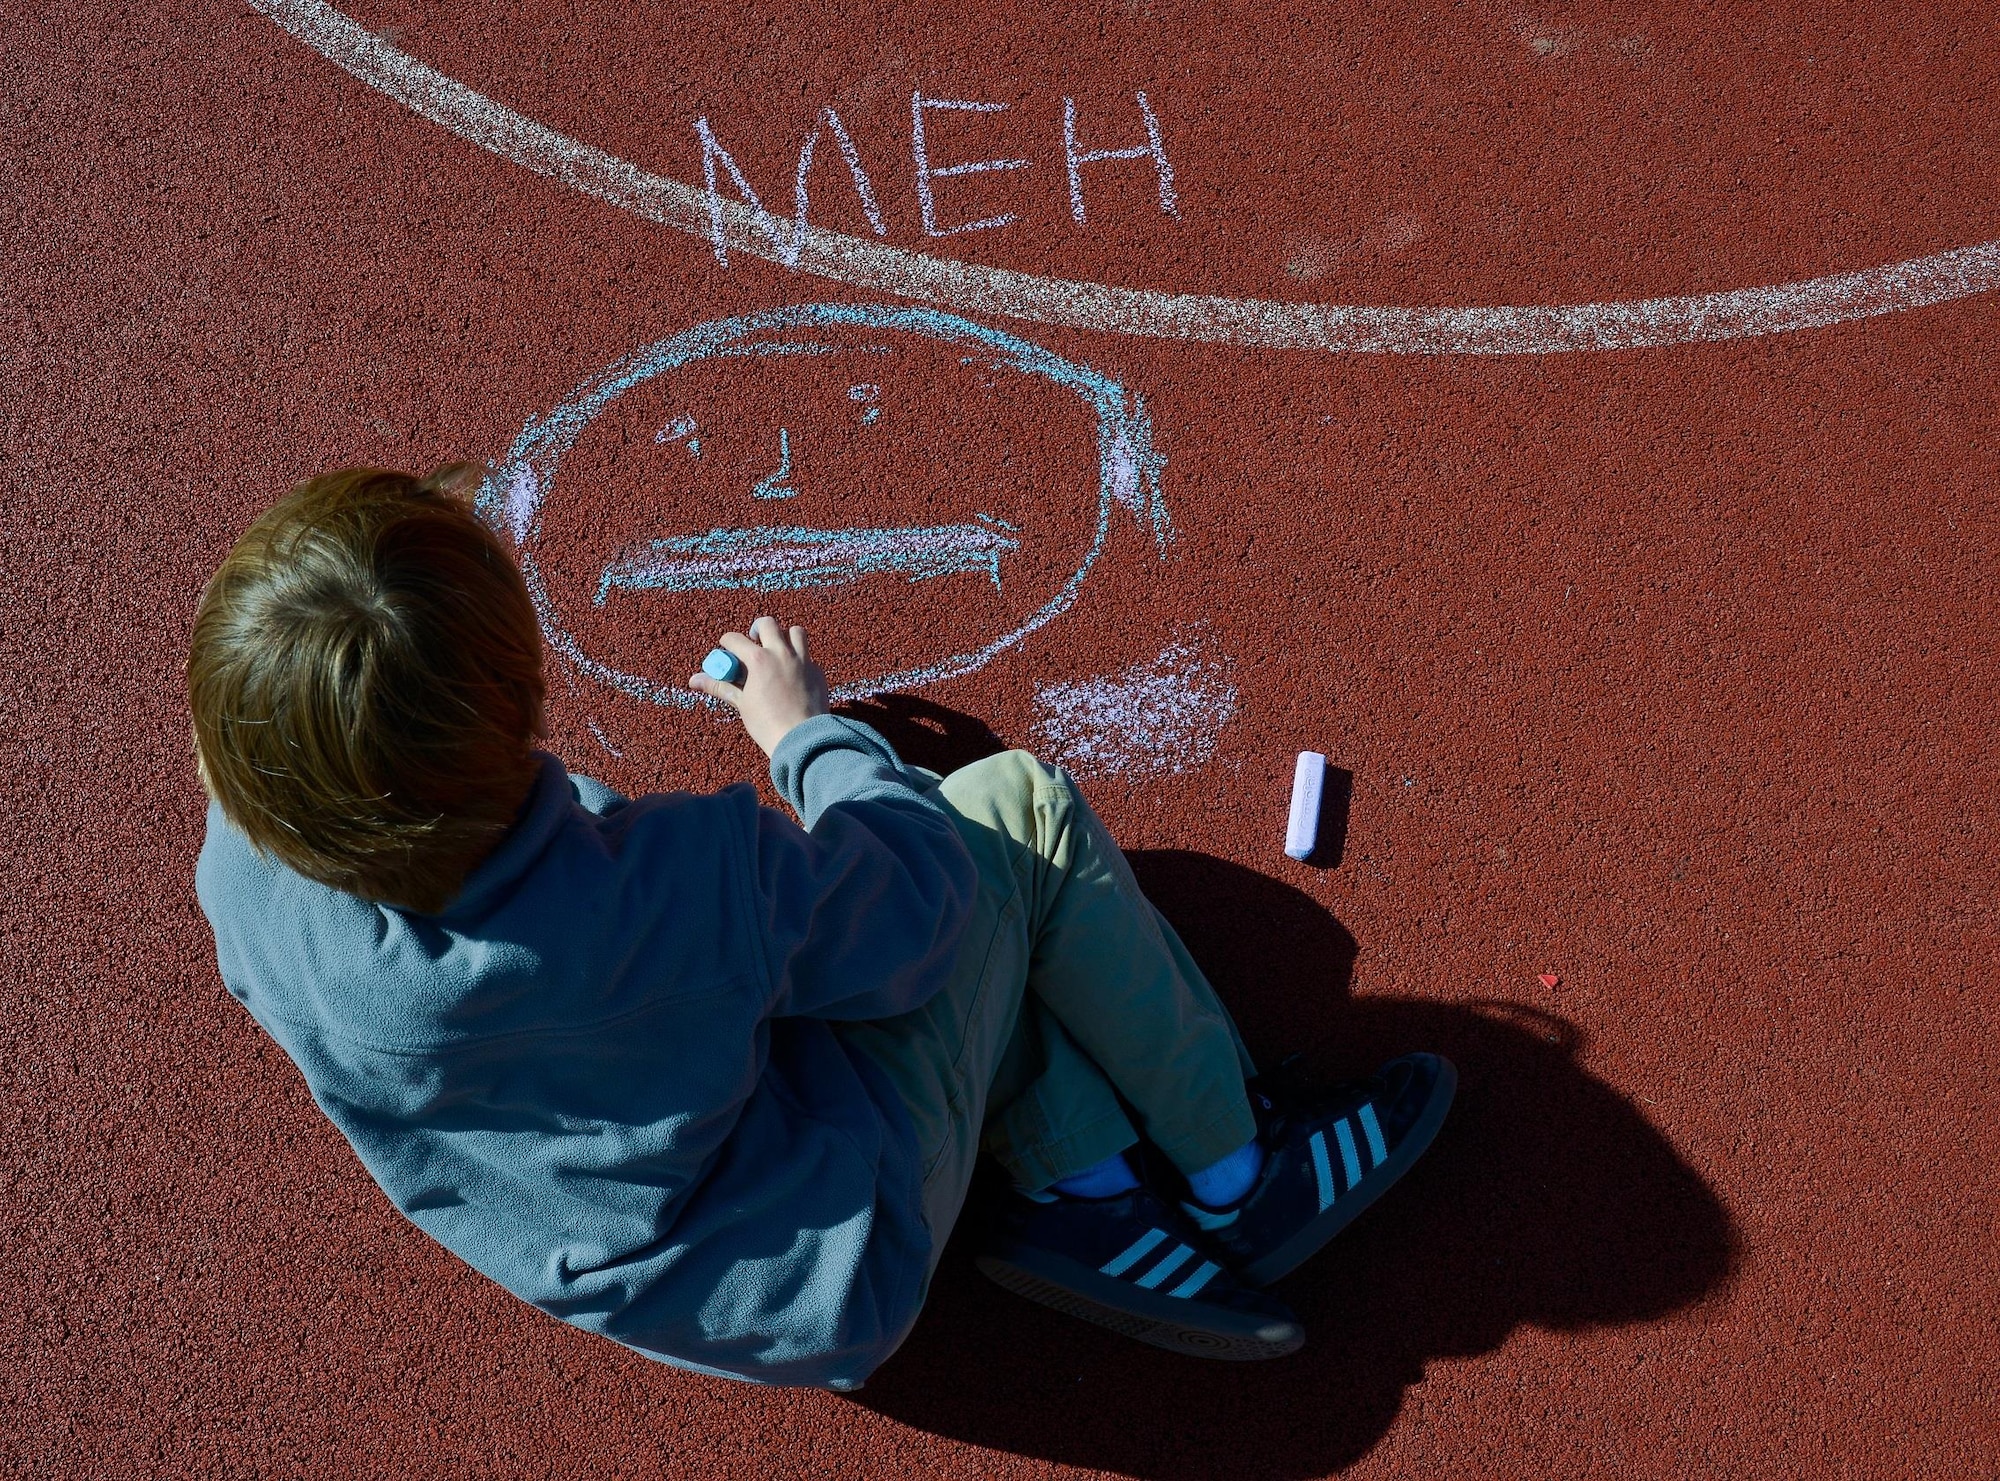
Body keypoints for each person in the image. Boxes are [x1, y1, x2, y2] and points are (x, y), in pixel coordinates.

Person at [189, 464, 1455, 1391]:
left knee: (884, 974)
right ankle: (1246, 1178)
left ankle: (1093, 1196)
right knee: (1006, 818)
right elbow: (919, 907)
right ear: (516, 690)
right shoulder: (683, 885)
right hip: (841, 1245)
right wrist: (812, 740)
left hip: (673, 1271)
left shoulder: (242, 886)